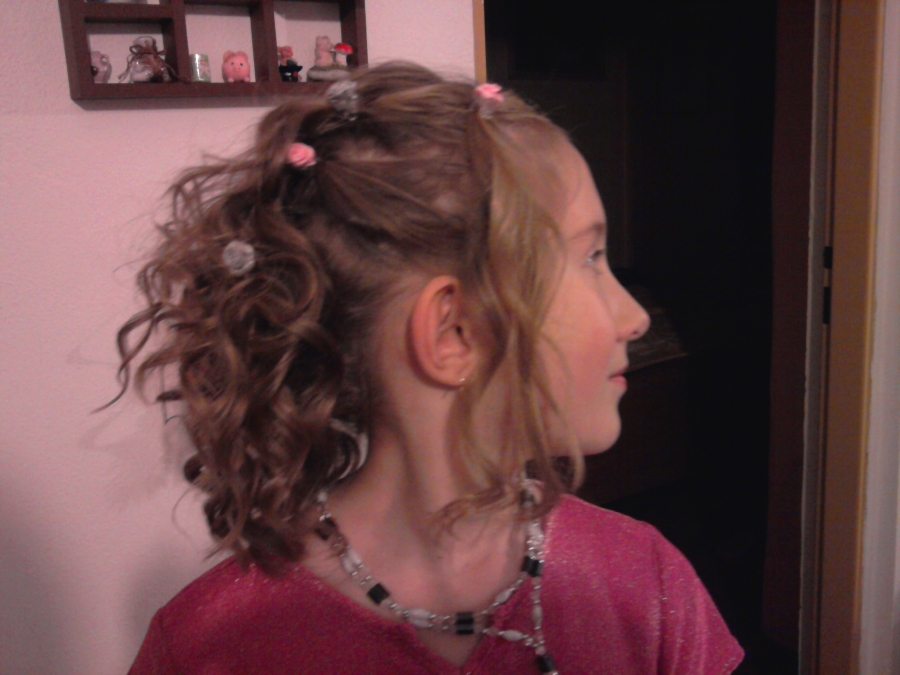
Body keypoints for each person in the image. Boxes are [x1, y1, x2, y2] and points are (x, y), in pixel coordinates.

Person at [119, 62, 743, 675]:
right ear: (454, 332)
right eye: (591, 258)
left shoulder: (648, 587)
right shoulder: (213, 645)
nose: (634, 316)